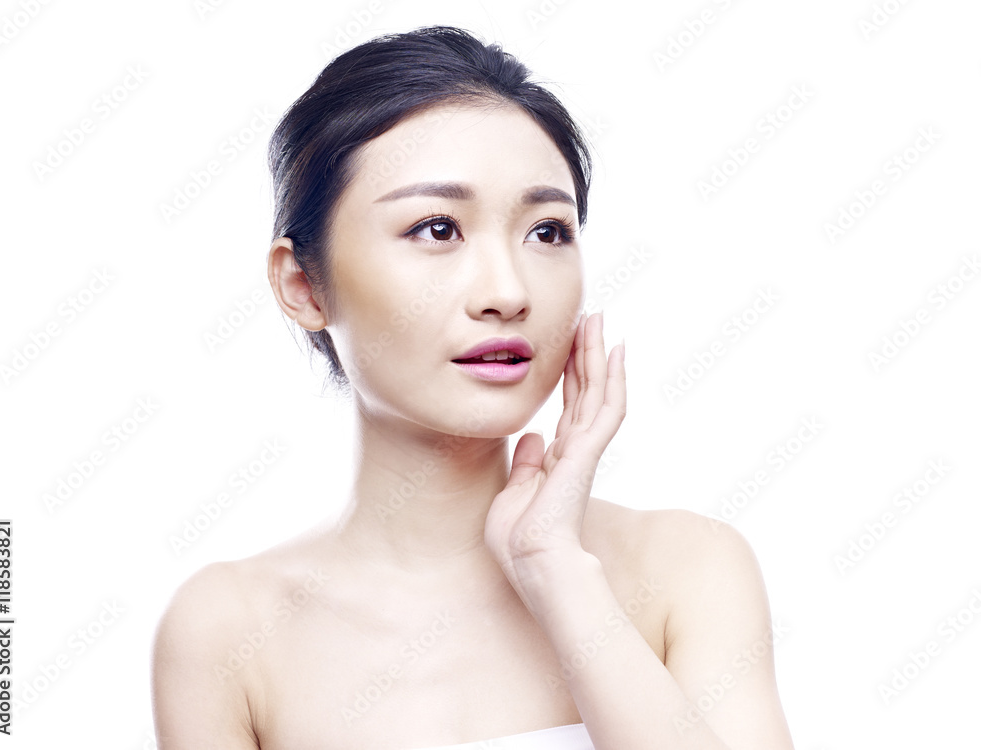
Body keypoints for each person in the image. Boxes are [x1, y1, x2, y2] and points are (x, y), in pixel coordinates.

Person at [151, 25, 795, 750]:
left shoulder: (687, 570)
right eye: (436, 228)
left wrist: (556, 571)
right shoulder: (229, 632)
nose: (507, 291)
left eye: (547, 232)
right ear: (303, 286)